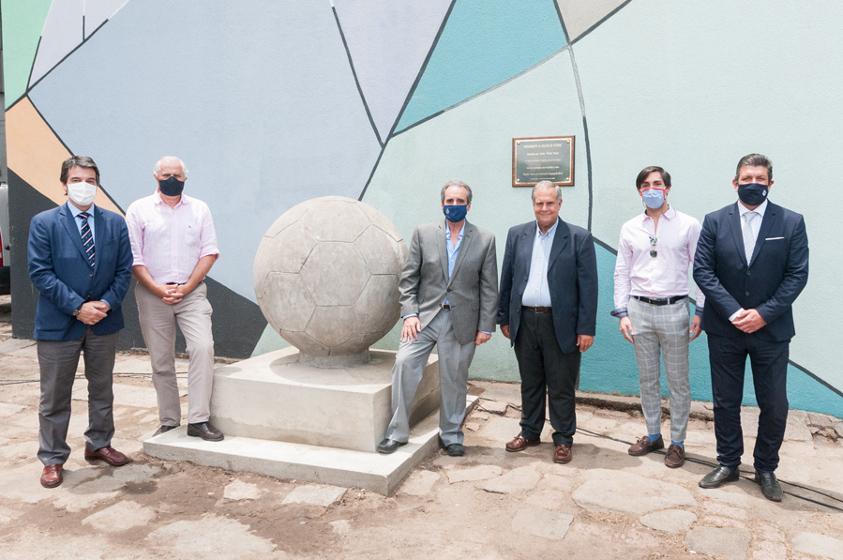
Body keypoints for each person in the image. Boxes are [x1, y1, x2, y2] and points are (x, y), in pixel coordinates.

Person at [694, 153, 808, 502]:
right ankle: (728, 462)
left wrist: (763, 314)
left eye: (760, 178)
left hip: (771, 331)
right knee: (725, 401)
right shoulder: (714, 221)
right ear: (735, 182)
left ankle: (766, 468)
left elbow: (797, 275)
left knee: (774, 403)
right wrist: (733, 311)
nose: (753, 184)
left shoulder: (790, 222)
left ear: (770, 183)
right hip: (725, 329)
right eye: (746, 178)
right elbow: (703, 271)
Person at [28, 156, 133, 488]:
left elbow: (123, 270)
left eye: (90, 180)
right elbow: (41, 273)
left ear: (97, 184)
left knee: (102, 389)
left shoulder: (115, 224)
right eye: (76, 180)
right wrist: (77, 307)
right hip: (60, 324)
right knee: (55, 395)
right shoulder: (45, 223)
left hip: (103, 321)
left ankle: (99, 443)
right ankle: (53, 458)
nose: (83, 186)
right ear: (64, 185)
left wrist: (105, 303)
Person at [377, 180, 498, 457]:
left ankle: (452, 435)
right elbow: (409, 279)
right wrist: (409, 314)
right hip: (424, 319)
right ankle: (397, 432)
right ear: (442, 203)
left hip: (462, 322)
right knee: (404, 364)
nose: (454, 206)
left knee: (455, 378)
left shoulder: (485, 240)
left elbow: (489, 287)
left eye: (459, 202)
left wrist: (486, 326)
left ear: (469, 205)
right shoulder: (424, 234)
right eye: (449, 201)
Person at [498, 180, 597, 464]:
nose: (544, 208)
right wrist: (504, 317)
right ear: (533, 204)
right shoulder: (517, 235)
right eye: (539, 203)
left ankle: (563, 438)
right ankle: (529, 431)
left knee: (560, 384)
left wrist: (586, 328)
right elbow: (507, 278)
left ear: (559, 204)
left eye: (550, 203)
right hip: (525, 320)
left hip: (561, 323)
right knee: (530, 381)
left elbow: (588, 288)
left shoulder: (578, 237)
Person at [611, 166, 704, 468]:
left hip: (675, 309)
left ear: (668, 188)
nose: (652, 189)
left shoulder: (688, 225)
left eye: (658, 184)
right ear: (639, 191)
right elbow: (622, 271)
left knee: (678, 382)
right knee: (647, 379)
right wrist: (622, 311)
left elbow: (701, 271)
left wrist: (700, 310)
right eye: (646, 185)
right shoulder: (629, 228)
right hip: (639, 309)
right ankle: (653, 435)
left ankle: (677, 442)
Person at [125, 156, 223, 441]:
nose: (172, 179)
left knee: (203, 348)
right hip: (152, 293)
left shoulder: (199, 209)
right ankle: (169, 420)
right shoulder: (139, 209)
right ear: (155, 177)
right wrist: (157, 288)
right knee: (161, 359)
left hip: (192, 292)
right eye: (166, 174)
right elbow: (134, 256)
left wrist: (188, 285)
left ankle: (198, 420)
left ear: (185, 178)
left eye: (177, 176)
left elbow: (209, 251)